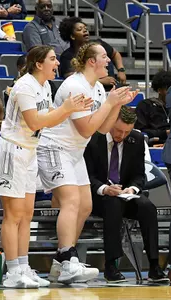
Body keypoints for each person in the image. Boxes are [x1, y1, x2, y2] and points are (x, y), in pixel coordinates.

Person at [0, 45, 92, 288]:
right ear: (38, 64)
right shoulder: (25, 86)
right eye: (53, 59)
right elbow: (34, 122)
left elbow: (49, 118)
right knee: (13, 216)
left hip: (30, 152)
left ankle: (23, 266)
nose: (57, 63)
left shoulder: (44, 87)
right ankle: (12, 271)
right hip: (12, 151)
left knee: (26, 215)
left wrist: (72, 109)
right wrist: (66, 109)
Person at [36, 42, 138, 284]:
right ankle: (68, 257)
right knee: (71, 201)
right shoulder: (74, 85)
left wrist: (116, 104)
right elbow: (85, 130)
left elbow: (102, 129)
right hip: (54, 148)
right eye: (104, 56)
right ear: (91, 61)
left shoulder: (98, 89)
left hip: (73, 152)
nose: (109, 61)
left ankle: (60, 266)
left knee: (85, 205)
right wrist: (110, 103)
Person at [84, 106, 168, 283]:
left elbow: (139, 174)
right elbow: (86, 175)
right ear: (111, 121)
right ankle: (111, 266)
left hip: (124, 194)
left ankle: (154, 265)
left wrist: (132, 189)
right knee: (112, 204)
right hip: (97, 196)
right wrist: (105, 189)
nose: (121, 136)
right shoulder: (93, 138)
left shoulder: (136, 139)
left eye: (126, 132)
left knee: (147, 207)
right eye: (118, 130)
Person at [58, 17, 126, 87]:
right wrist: (101, 81)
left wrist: (121, 70)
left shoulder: (98, 45)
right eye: (80, 29)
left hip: (112, 88)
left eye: (85, 28)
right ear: (72, 36)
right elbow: (71, 77)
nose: (85, 30)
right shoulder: (67, 56)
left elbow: (115, 54)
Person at [135, 70, 171, 143]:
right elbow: (140, 130)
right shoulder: (145, 105)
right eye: (168, 90)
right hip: (153, 143)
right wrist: (164, 133)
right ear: (159, 90)